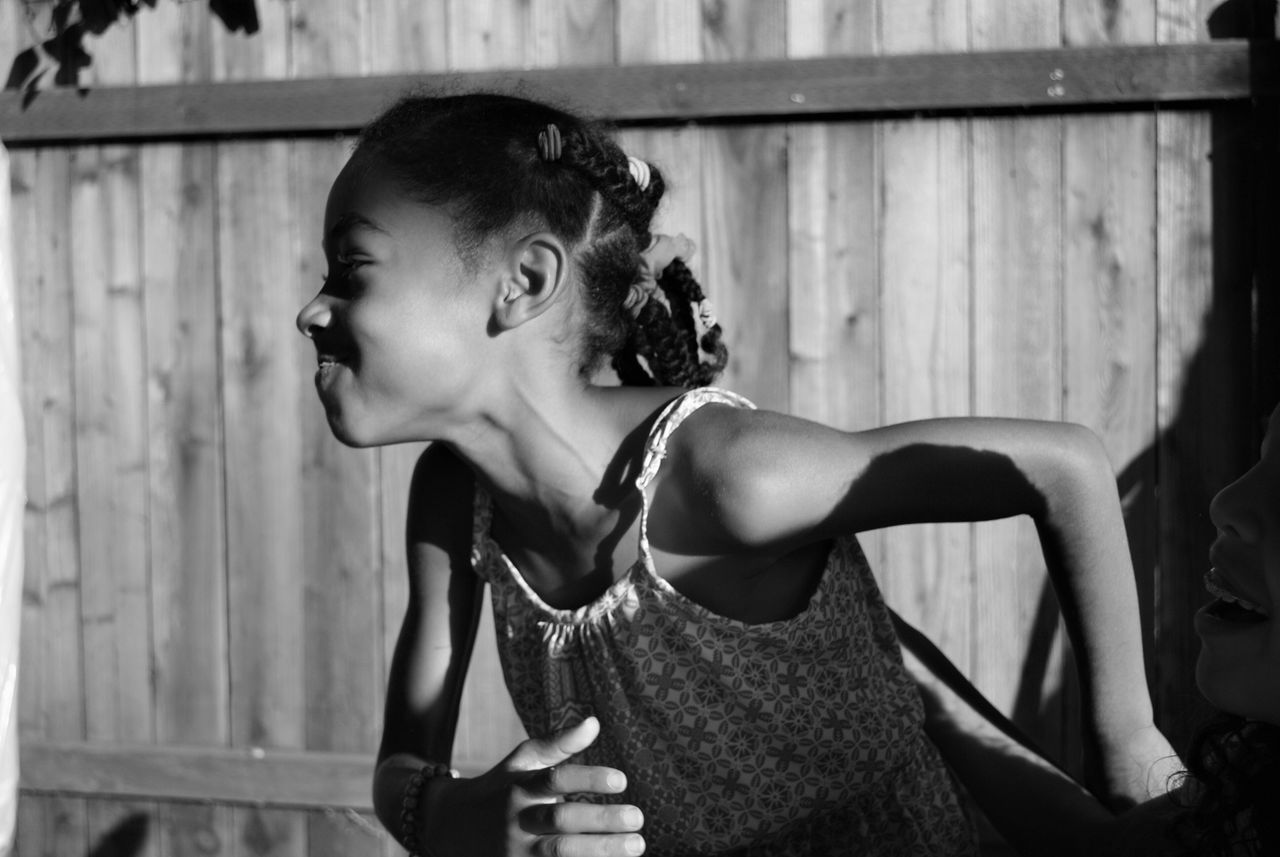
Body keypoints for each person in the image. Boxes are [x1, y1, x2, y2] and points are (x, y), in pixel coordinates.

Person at [294, 91, 1173, 857]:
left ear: (523, 280)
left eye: (351, 266)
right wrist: (443, 814)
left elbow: (1065, 466)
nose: (309, 308)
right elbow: (401, 767)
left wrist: (1129, 752)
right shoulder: (456, 500)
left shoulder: (726, 477)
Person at [913, 403, 1280, 856]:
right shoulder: (1253, 783)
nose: (1226, 503)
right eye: (1263, 458)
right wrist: (907, 664)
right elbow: (1112, 842)